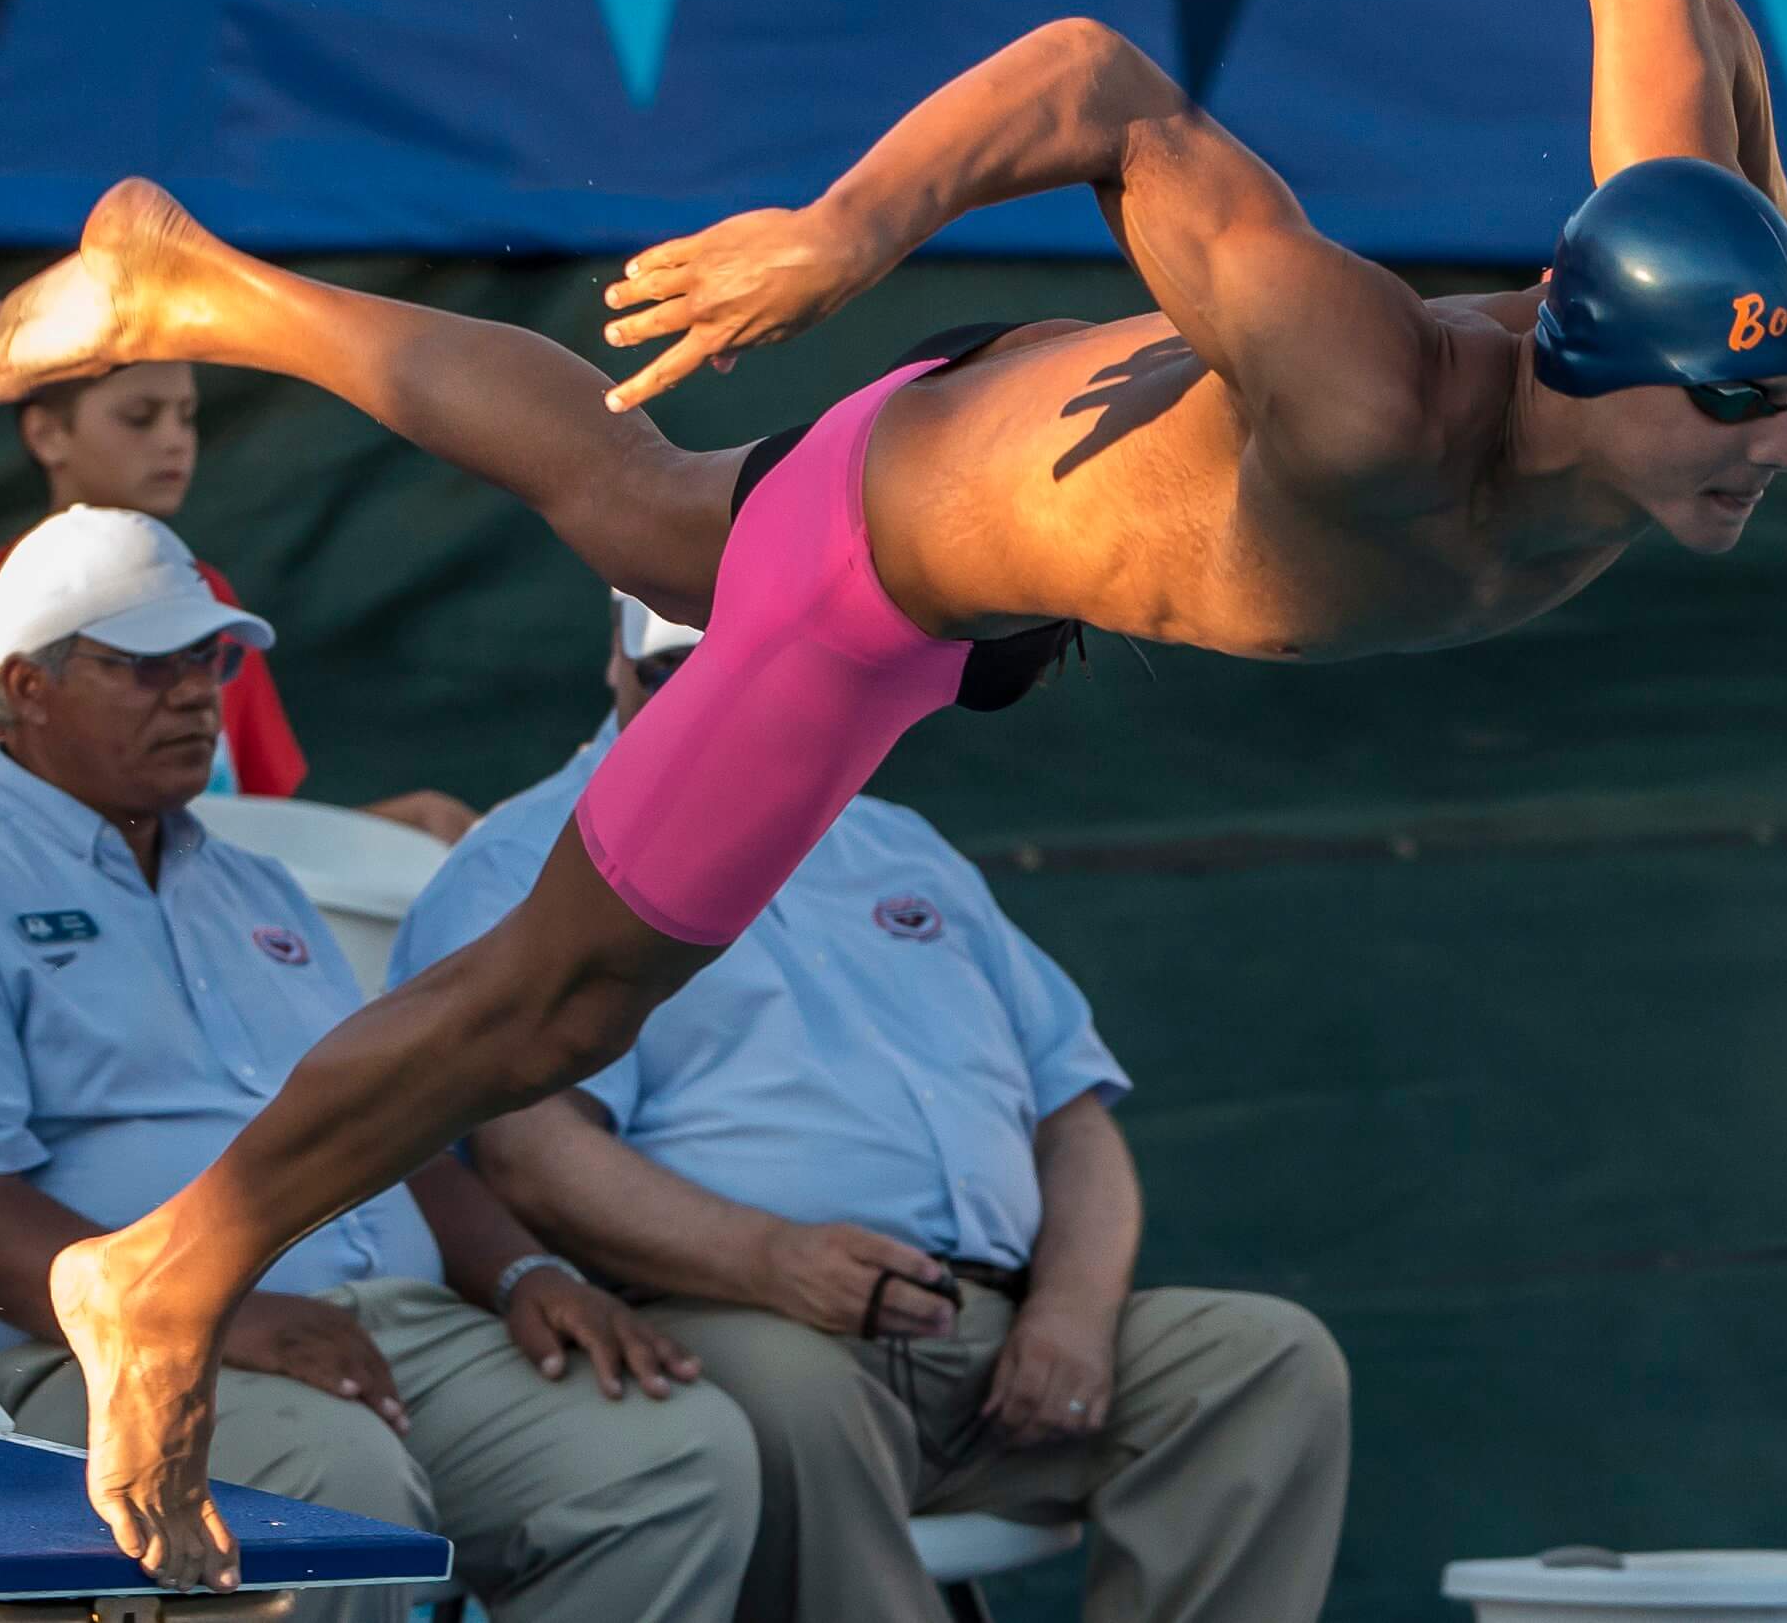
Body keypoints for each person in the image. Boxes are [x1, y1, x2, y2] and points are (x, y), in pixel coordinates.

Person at [0, 0, 1787, 1585]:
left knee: (634, 498)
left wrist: (1761, 217)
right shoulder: (1367, 394)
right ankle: (162, 1272)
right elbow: (1105, 85)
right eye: (1739, 408)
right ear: (1592, 363)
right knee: (555, 1000)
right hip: (891, 569)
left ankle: (197, 285)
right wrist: (843, 236)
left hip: (1033, 480)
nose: (1782, 451)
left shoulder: (1684, 262)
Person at [0, 507, 759, 1623]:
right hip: (82, 1361)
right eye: (145, 667)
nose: (196, 693)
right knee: (333, 1488)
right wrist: (207, 1315)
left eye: (206, 660)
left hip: (384, 1327)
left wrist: (524, 1273)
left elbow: (389, 1121)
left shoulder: (259, 889)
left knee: (681, 1456)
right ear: (26, 688)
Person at [395, 595, 1349, 1623]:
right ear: (620, 666)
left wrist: (1072, 1310)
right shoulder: (530, 858)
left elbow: (1069, 1118)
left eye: (751, 679)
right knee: (783, 1398)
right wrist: (766, 1258)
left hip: (998, 1324)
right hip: (731, 1313)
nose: (714, 710)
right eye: (682, 678)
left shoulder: (899, 846)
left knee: (1261, 1362)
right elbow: (529, 1151)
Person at [0, 358, 477, 839]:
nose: (174, 441)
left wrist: (397, 831)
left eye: (188, 416)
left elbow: (258, 831)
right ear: (46, 433)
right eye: (140, 417)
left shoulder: (213, 596)